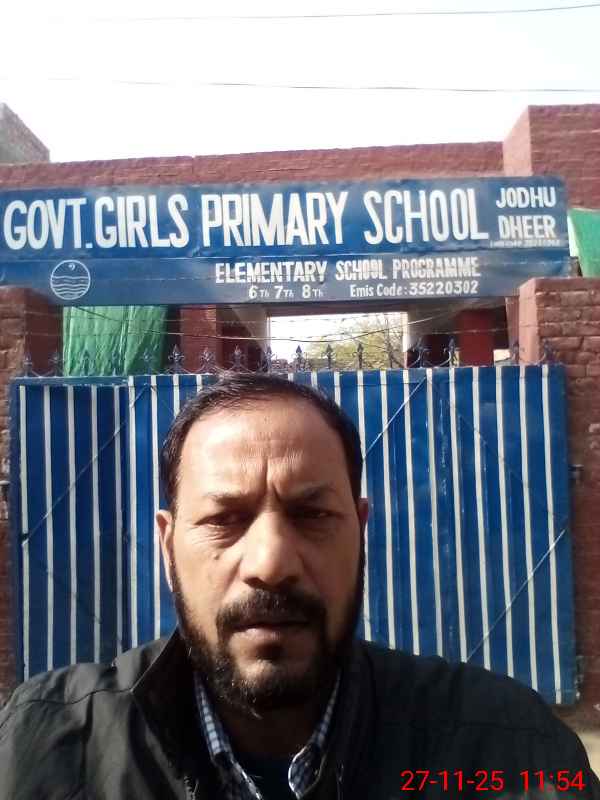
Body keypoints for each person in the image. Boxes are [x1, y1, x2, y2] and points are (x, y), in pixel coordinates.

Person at [0, 372, 598, 799]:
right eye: (225, 519)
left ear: (360, 532)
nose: (271, 563)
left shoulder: (511, 752)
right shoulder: (44, 747)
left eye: (312, 515)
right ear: (167, 545)